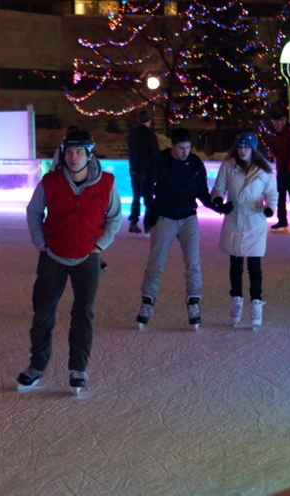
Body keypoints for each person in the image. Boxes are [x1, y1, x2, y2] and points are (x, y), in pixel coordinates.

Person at [16, 130, 121, 393]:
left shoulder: (106, 183)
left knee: (83, 314)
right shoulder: (50, 182)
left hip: (88, 258)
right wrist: (41, 243)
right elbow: (34, 212)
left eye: (79, 152)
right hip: (53, 257)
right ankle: (36, 366)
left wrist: (99, 246)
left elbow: (115, 217)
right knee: (42, 314)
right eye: (69, 152)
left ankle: (78, 369)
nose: (73, 157)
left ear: (89, 154)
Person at [136, 128, 220, 330]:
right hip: (164, 217)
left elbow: (201, 191)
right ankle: (147, 302)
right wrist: (151, 210)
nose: (185, 152)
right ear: (172, 146)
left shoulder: (195, 163)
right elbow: (147, 187)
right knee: (155, 263)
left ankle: (194, 303)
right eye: (181, 148)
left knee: (193, 263)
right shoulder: (160, 161)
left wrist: (217, 205)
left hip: (188, 218)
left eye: (188, 148)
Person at [210, 132, 278, 328]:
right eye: (239, 146)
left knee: (254, 266)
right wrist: (218, 201)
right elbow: (218, 188)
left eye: (246, 147)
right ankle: (236, 301)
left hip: (254, 221)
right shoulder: (228, 166)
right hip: (234, 220)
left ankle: (256, 303)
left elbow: (272, 193)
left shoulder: (263, 170)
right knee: (235, 264)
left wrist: (269, 207)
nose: (242, 150)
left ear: (253, 149)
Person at [126, 110, 160, 234]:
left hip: (134, 169)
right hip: (146, 171)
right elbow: (155, 155)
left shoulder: (132, 135)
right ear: (149, 121)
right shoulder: (150, 136)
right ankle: (149, 225)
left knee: (136, 196)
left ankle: (133, 221)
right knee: (148, 197)